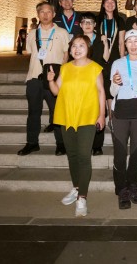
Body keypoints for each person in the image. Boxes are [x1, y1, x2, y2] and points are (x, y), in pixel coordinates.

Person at [46, 34, 106, 218]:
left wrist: (102, 115)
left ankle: (82, 197)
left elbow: (101, 92)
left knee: (83, 156)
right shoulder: (65, 68)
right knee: (72, 155)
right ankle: (76, 187)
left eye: (81, 46)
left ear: (88, 49)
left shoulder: (95, 68)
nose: (77, 49)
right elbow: (56, 91)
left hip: (87, 116)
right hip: (67, 116)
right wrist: (50, 80)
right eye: (74, 46)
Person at [18, 1, 68, 157]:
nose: (45, 15)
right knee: (33, 112)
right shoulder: (32, 34)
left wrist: (61, 76)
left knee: (57, 112)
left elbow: (66, 54)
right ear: (38, 14)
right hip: (34, 78)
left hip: (54, 79)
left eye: (49, 12)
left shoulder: (62, 32)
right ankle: (32, 143)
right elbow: (30, 52)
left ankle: (61, 143)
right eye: (42, 12)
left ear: (54, 14)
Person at [109, 29, 137, 209]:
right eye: (129, 41)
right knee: (120, 153)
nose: (133, 45)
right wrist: (115, 83)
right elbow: (112, 92)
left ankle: (133, 185)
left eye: (136, 41)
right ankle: (121, 189)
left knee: (136, 152)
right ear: (125, 44)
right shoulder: (117, 63)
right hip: (120, 113)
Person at [94, 0, 125, 155]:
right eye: (107, 1)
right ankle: (98, 138)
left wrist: (122, 61)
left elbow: (121, 42)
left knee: (112, 95)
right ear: (103, 4)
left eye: (113, 1)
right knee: (100, 93)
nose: (110, 4)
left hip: (114, 60)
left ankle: (113, 128)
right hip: (99, 59)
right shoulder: (97, 19)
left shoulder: (120, 20)